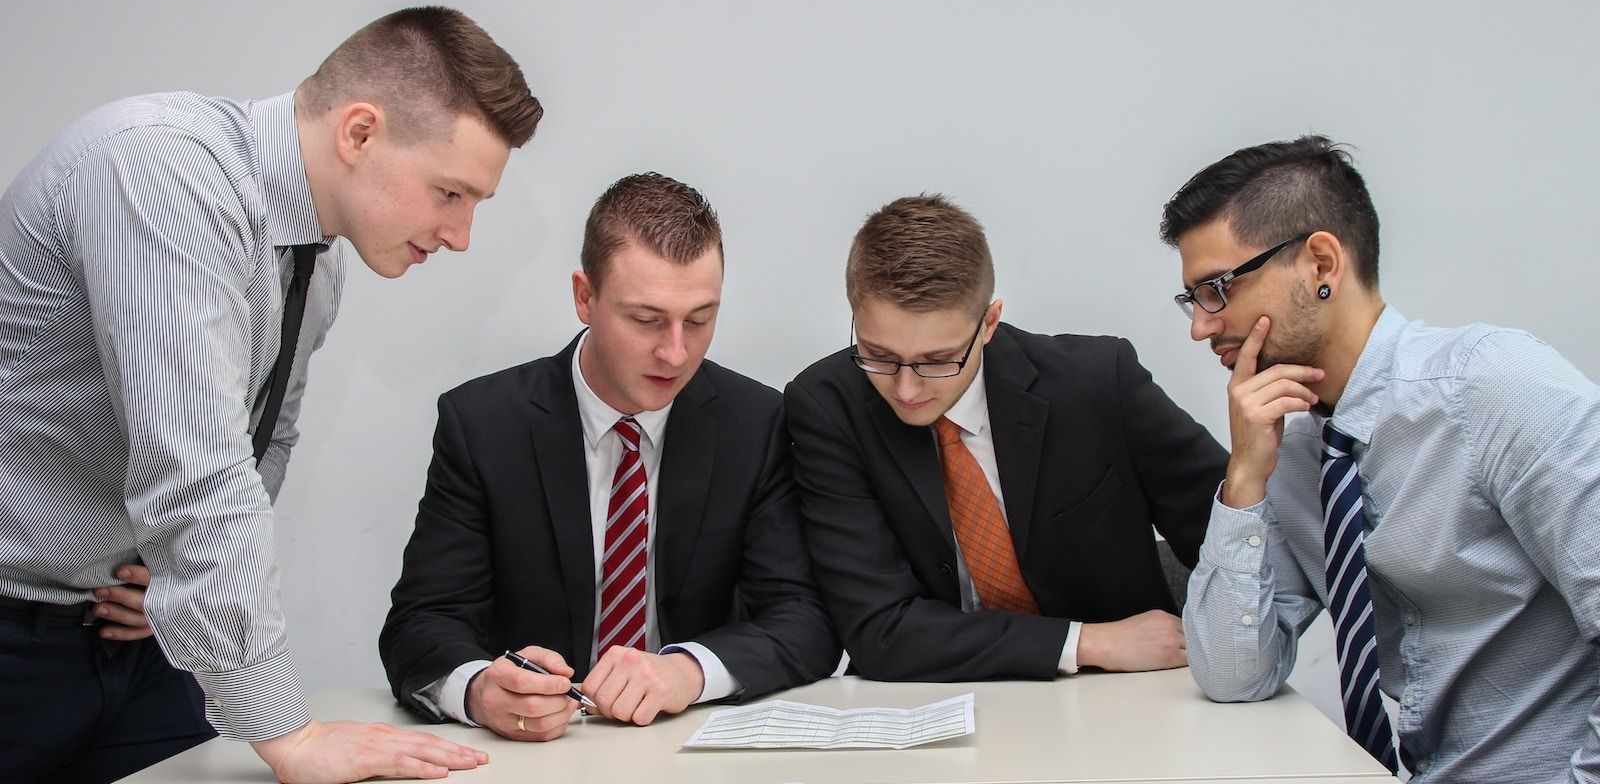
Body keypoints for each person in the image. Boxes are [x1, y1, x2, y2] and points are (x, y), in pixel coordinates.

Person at [0, 6, 543, 783]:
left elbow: (264, 442)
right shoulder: (161, 171)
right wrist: (291, 735)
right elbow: (197, 472)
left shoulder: (316, 261)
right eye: (450, 194)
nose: (459, 235)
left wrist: (171, 579)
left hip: (129, 638)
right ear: (359, 132)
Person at [1163, 135, 1600, 782]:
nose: (1201, 325)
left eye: (1218, 289)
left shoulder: (1493, 388)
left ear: (1320, 264)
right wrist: (1246, 478)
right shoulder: (1295, 446)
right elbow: (1233, 676)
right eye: (1193, 298)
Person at [380, 172, 839, 741]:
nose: (675, 352)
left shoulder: (756, 423)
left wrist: (687, 671)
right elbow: (421, 623)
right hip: (533, 756)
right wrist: (480, 691)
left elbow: (806, 620)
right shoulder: (483, 424)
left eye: (699, 320)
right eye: (645, 320)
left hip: (686, 747)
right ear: (584, 297)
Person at [783, 194, 1226, 682]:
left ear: (989, 323)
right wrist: (1088, 641)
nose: (906, 389)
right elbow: (880, 631)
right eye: (878, 354)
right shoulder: (827, 406)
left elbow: (1233, 544)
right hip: (934, 701)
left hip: (1125, 696)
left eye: (937, 360)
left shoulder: (1097, 383)